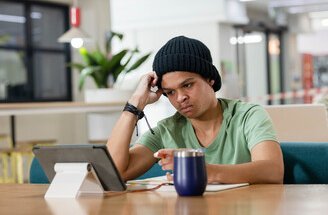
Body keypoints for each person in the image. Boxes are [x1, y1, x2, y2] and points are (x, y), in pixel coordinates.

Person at [107, 36, 284, 184]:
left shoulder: (248, 116)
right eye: (170, 92)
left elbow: (273, 171)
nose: (180, 97)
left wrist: (206, 171)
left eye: (188, 85)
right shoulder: (166, 131)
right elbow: (114, 172)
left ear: (210, 79)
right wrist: (134, 105)